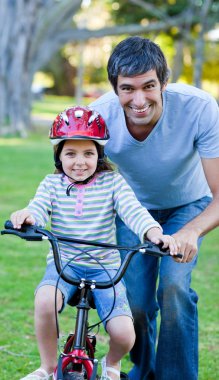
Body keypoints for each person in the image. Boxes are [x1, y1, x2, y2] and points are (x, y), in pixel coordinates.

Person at [10, 106, 179, 380]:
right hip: (64, 265)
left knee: (124, 333)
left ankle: (110, 363)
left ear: (99, 155)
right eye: (70, 153)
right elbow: (38, 208)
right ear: (58, 156)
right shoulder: (51, 184)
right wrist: (28, 216)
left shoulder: (112, 183)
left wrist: (153, 232)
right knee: (44, 301)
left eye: (88, 153)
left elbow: (134, 212)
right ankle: (48, 367)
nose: (80, 161)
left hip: (106, 269)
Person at [89, 36, 219, 380]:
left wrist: (190, 230)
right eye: (127, 89)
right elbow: (81, 182)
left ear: (164, 81)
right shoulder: (99, 117)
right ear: (115, 89)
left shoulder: (199, 107)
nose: (139, 99)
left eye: (149, 86)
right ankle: (143, 370)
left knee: (174, 287)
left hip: (188, 205)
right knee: (135, 303)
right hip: (133, 210)